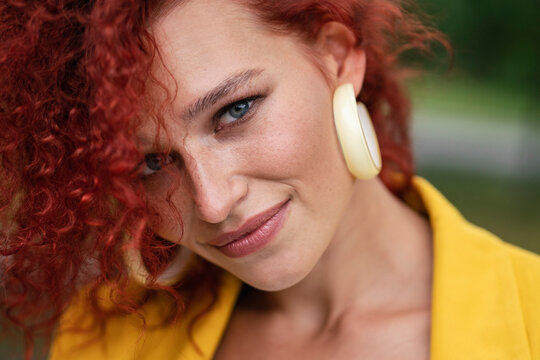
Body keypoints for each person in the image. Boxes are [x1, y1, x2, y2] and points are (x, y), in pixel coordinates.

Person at [1, 0, 539, 359]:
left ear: (335, 56)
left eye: (235, 111)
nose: (212, 203)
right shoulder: (105, 339)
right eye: (151, 164)